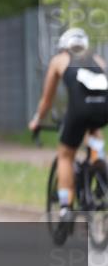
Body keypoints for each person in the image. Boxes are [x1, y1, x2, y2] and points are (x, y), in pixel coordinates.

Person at [28, 27, 107, 237]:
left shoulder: (60, 60)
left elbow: (47, 99)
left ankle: (65, 208)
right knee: (94, 129)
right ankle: (98, 161)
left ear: (64, 46)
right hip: (103, 107)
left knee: (65, 154)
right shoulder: (98, 59)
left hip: (79, 110)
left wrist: (37, 120)